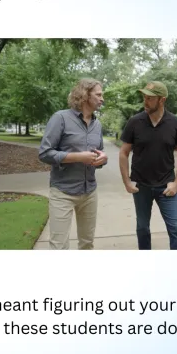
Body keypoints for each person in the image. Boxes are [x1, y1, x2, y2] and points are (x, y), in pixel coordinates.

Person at [38, 78, 107, 250]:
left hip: (89, 191)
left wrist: (102, 159)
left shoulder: (97, 124)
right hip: (63, 192)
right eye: (98, 94)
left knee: (87, 244)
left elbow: (98, 153)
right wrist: (77, 157)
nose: (102, 98)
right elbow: (45, 153)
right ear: (85, 95)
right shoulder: (60, 118)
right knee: (59, 246)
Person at [119, 81, 177, 250]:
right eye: (144, 97)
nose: (145, 101)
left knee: (176, 229)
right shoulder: (135, 122)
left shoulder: (175, 123)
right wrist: (127, 182)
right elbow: (123, 153)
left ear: (162, 100)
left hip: (166, 186)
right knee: (142, 228)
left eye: (150, 98)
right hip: (141, 186)